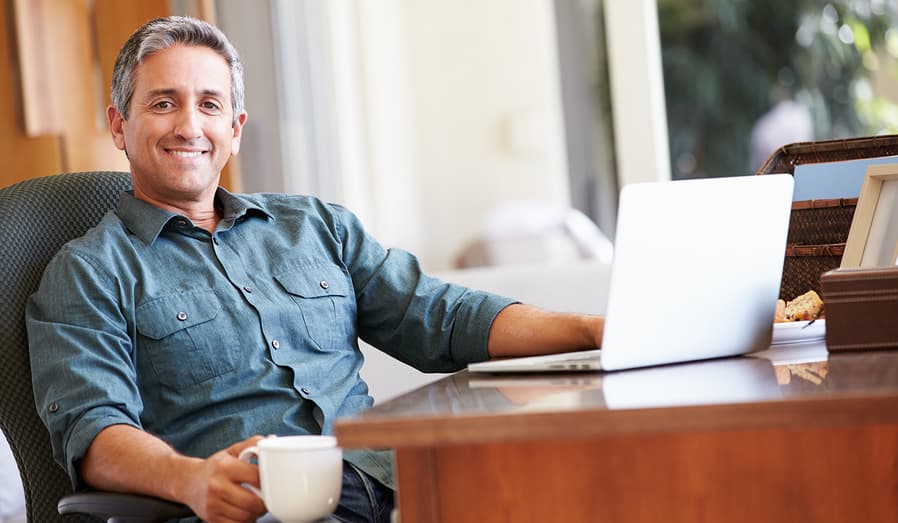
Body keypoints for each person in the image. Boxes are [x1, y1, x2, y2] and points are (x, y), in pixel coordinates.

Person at [26, 16, 603, 523]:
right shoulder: (88, 272)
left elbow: (440, 317)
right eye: (162, 103)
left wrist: (595, 332)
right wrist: (190, 479)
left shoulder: (314, 225)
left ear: (236, 127)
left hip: (392, 480)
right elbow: (94, 432)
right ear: (119, 126)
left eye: (209, 104)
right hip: (259, 509)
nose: (189, 126)